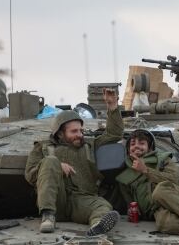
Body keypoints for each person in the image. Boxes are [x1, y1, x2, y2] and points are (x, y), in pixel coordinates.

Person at [25, 89, 122, 235]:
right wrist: (57, 166)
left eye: (81, 130)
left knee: (103, 205)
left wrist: (112, 106)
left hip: (83, 200)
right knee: (51, 161)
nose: (79, 135)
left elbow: (114, 134)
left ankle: (97, 227)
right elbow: (30, 176)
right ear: (60, 133)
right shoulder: (43, 147)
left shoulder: (90, 144)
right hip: (56, 200)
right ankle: (47, 216)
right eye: (74, 131)